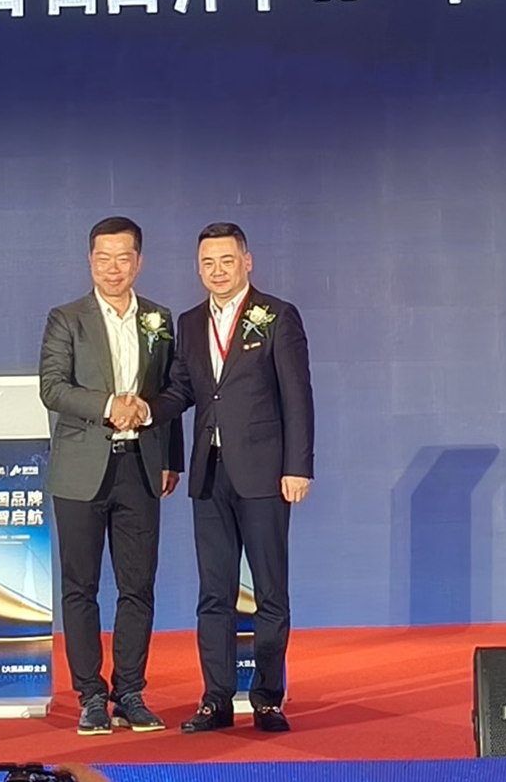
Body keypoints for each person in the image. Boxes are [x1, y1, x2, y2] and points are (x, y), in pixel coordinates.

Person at [159, 222, 313, 733]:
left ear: (247, 262)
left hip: (265, 473)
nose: (217, 271)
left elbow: (297, 396)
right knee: (213, 594)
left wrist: (298, 466)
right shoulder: (189, 322)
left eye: (227, 260)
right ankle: (216, 699)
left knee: (270, 591)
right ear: (198, 268)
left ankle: (267, 698)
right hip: (210, 473)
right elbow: (182, 391)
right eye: (208, 263)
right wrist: (144, 409)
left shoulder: (277, 316)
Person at [36, 216, 183, 735]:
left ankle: (131, 692)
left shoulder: (159, 319)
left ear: (138, 262)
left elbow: (172, 393)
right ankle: (91, 696)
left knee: (137, 585)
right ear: (90, 261)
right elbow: (52, 387)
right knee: (80, 587)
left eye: (123, 258)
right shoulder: (66, 318)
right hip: (81, 471)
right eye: (103, 258)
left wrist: (171, 458)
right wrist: (108, 405)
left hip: (139, 467)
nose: (113, 268)